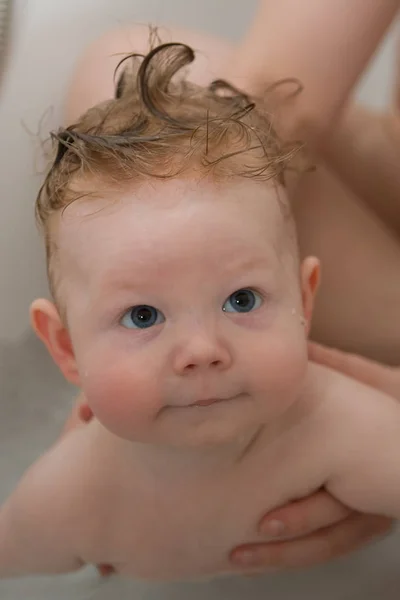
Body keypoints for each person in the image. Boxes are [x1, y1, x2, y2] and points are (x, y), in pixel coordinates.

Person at [2, 41, 400, 581]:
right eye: (143, 315)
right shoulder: (71, 495)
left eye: (242, 300)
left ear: (304, 303)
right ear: (66, 347)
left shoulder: (340, 427)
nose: (203, 352)